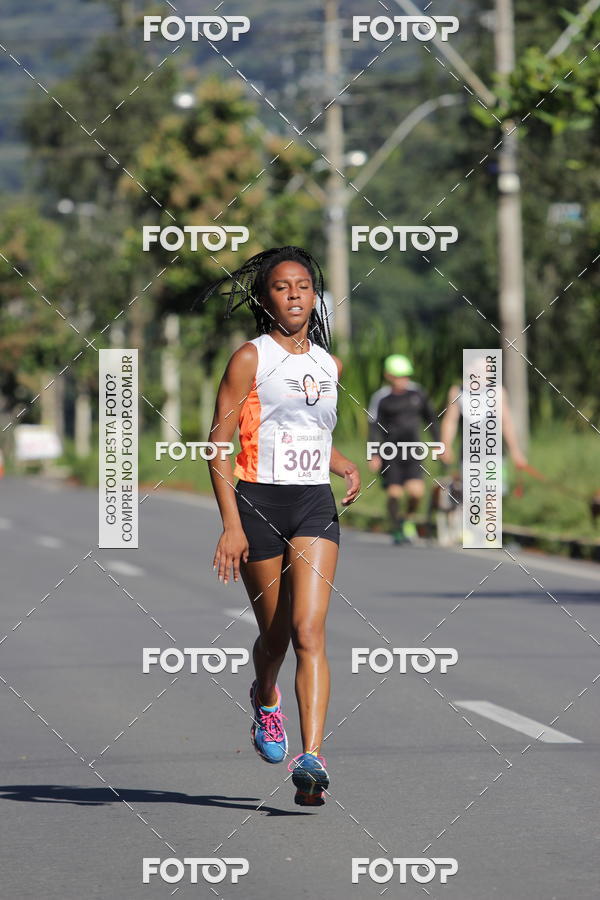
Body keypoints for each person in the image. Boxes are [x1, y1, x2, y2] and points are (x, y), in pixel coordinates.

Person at [199, 246, 360, 806]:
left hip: (314, 504)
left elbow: (306, 428)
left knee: (309, 630)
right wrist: (231, 525)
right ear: (265, 299)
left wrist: (339, 462)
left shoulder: (330, 365)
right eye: (281, 286)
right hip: (258, 504)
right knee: (276, 636)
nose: (294, 294)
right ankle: (265, 697)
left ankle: (312, 758)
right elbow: (219, 444)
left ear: (316, 297)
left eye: (303, 286)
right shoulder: (250, 358)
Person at [367, 354, 440, 544]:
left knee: (416, 492)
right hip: (390, 452)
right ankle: (396, 529)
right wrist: (373, 454)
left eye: (406, 376)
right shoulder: (381, 398)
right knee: (394, 493)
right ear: (389, 376)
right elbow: (373, 427)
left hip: (413, 450)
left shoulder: (418, 393)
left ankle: (406, 519)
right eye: (399, 376)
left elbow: (431, 420)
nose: (403, 380)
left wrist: (439, 444)